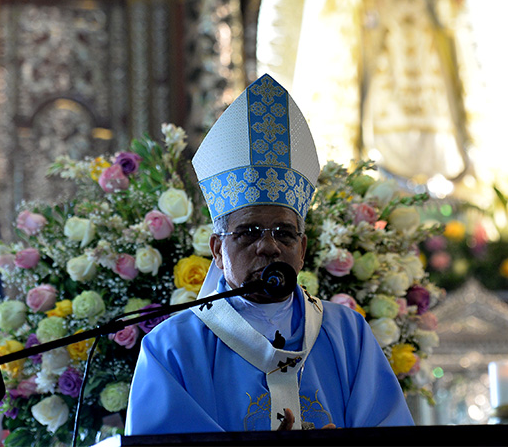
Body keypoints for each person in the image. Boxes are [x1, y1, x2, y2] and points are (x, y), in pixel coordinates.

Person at [125, 74, 414, 434]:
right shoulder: (172, 347)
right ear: (217, 249)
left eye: (284, 233)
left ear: (303, 249)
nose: (269, 246)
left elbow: (393, 434)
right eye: (247, 233)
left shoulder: (347, 333)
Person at [295, 0, 478, 185]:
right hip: (388, 45)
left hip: (422, 46)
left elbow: (438, 4)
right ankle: (382, 170)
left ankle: (434, 175)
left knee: (434, 103)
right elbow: (348, 6)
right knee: (384, 100)